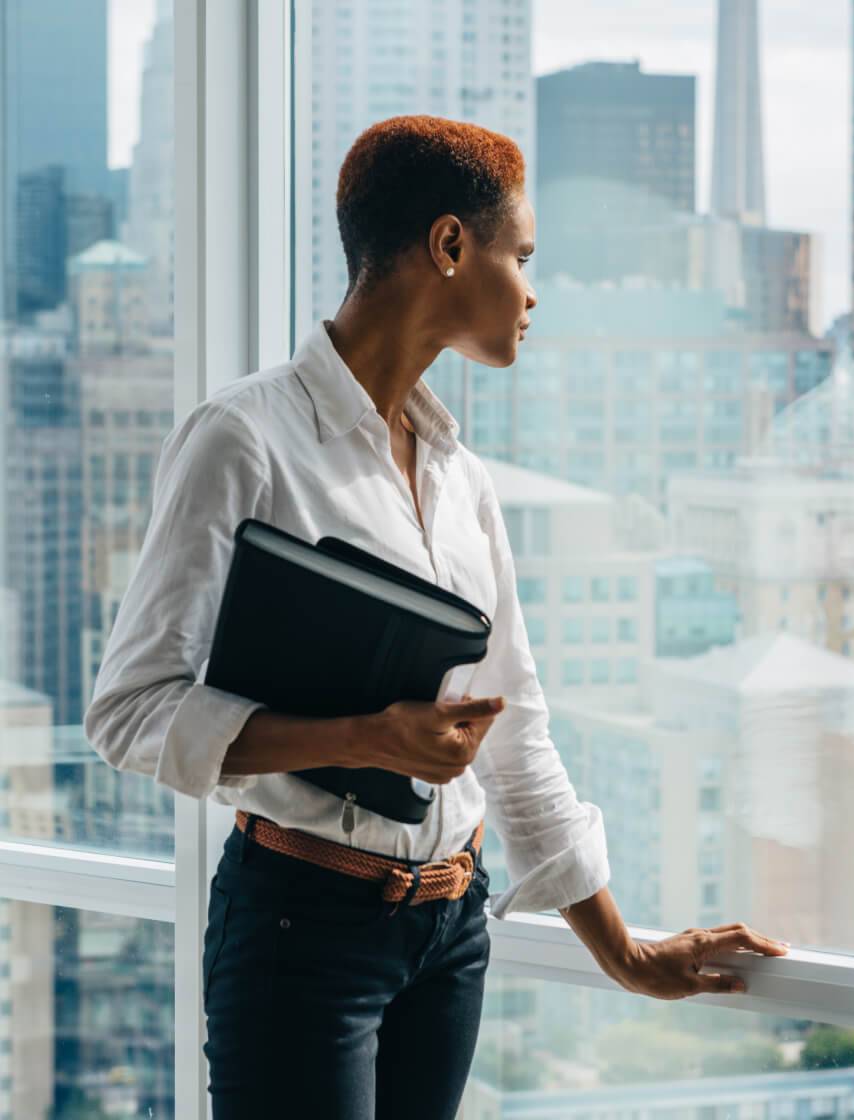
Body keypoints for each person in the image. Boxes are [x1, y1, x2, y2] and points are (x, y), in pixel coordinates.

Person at [83, 114, 789, 1119]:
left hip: (452, 933)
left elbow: (517, 732)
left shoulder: (462, 479)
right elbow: (128, 712)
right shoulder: (242, 440)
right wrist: (361, 736)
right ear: (450, 246)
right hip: (301, 931)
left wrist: (627, 953)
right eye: (523, 255)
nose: (534, 290)